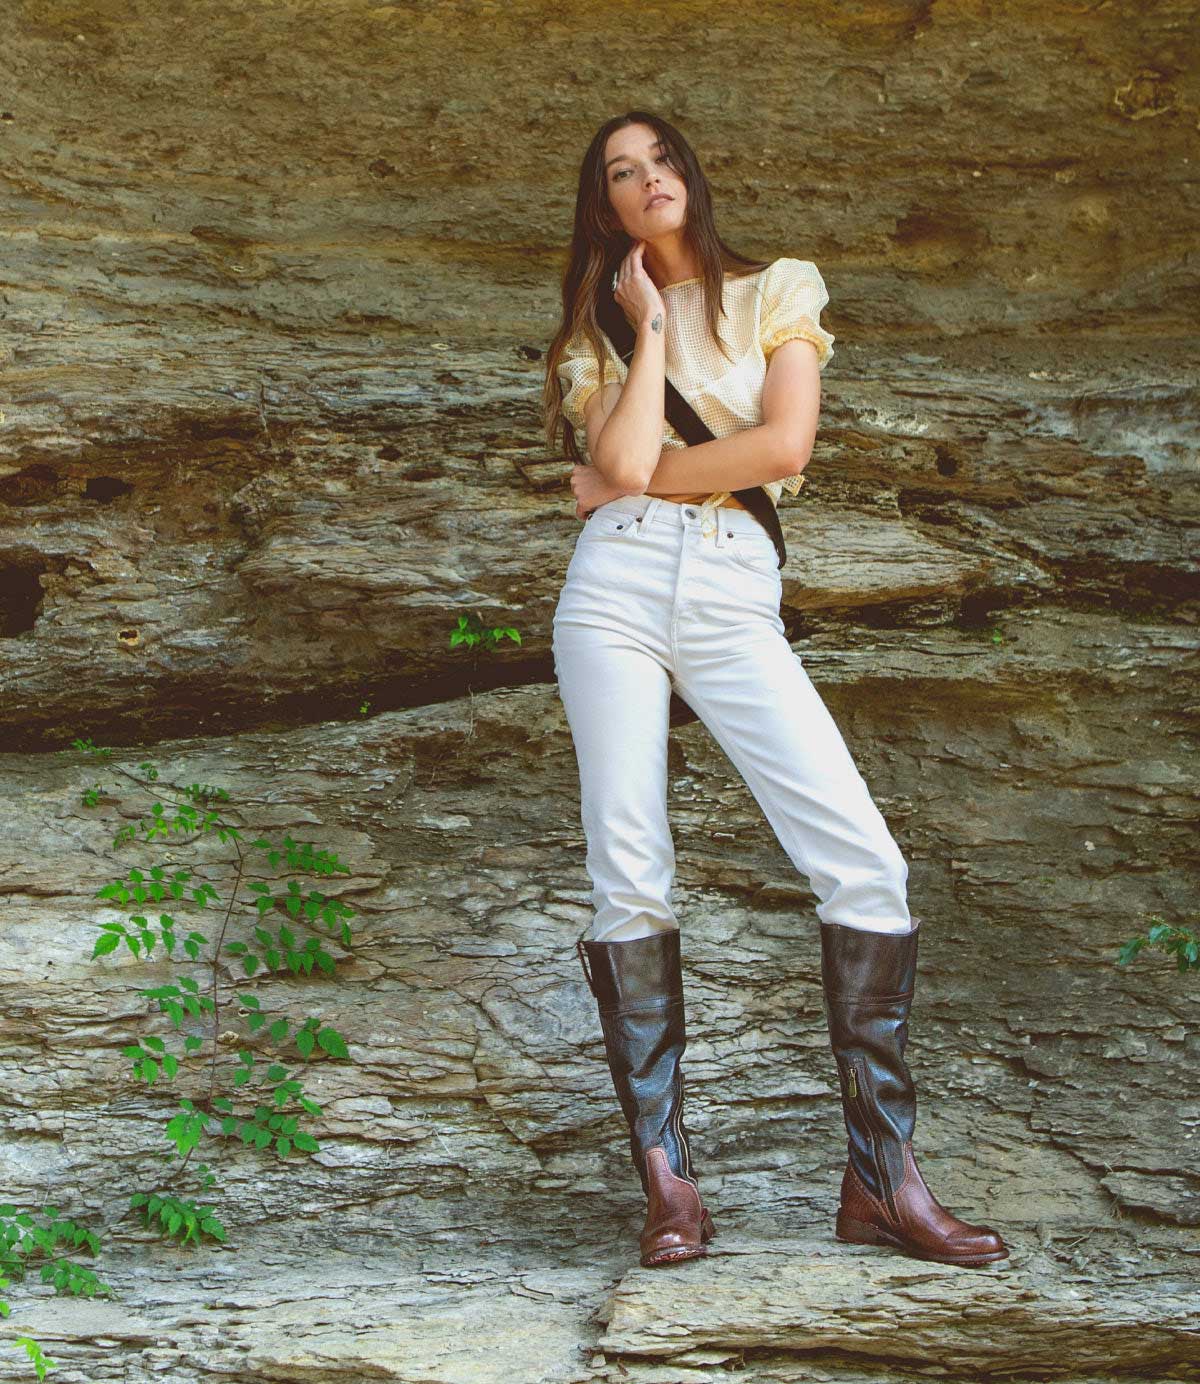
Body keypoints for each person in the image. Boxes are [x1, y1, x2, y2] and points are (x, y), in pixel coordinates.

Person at [543, 110, 1009, 1271]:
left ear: (691, 177)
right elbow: (618, 467)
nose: (647, 181)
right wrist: (645, 330)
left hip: (730, 585)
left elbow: (782, 447)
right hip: (613, 591)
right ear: (604, 209)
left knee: (864, 861)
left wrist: (622, 476)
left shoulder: (776, 291)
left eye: (661, 161)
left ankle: (882, 1180)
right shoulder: (595, 336)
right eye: (620, 175)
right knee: (628, 864)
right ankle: (670, 1189)